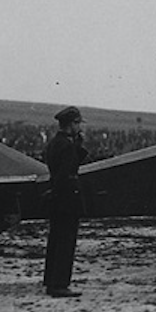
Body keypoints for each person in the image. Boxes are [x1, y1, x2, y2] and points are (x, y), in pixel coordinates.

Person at [43, 106, 88, 298]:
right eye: (77, 123)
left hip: (56, 198)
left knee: (55, 240)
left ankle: (50, 280)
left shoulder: (55, 143)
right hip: (67, 198)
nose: (79, 127)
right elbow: (67, 173)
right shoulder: (67, 146)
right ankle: (60, 284)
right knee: (65, 242)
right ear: (72, 124)